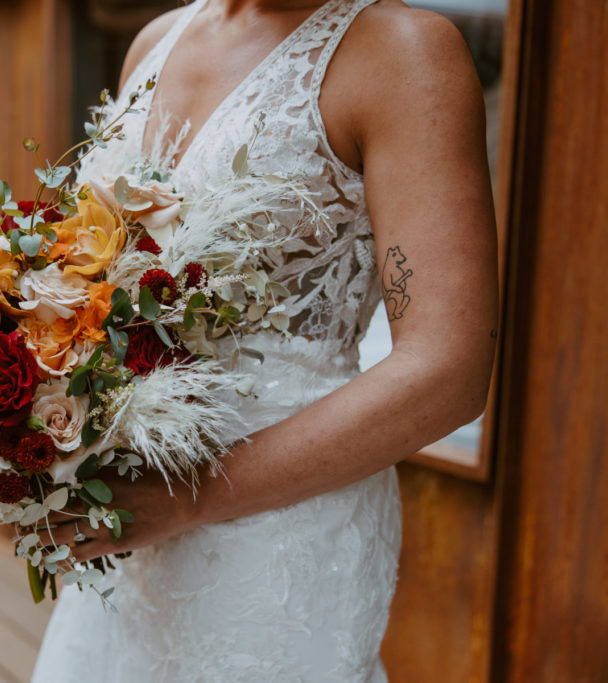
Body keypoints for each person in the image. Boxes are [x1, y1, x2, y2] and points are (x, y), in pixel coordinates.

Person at [31, 0, 498, 680]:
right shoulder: (154, 44)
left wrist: (192, 496)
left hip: (279, 540)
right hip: (129, 529)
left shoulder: (403, 55)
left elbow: (449, 369)